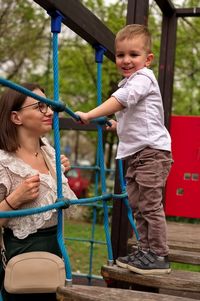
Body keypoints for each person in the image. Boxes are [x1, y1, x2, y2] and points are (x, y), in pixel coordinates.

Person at [76, 24, 173, 275]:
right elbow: (138, 121)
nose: (126, 60)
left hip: (152, 153)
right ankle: (146, 250)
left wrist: (89, 114)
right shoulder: (131, 82)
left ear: (148, 59)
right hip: (138, 153)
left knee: (150, 205)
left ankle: (159, 255)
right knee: (138, 204)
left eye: (134, 54)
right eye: (120, 55)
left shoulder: (142, 79)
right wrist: (116, 125)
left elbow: (122, 99)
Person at [0, 83, 77, 300]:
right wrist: (15, 200)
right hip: (22, 259)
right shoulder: (3, 163)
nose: (50, 111)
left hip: (56, 254)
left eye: (48, 106)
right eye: (40, 107)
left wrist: (60, 173)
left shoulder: (50, 153)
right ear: (16, 118)